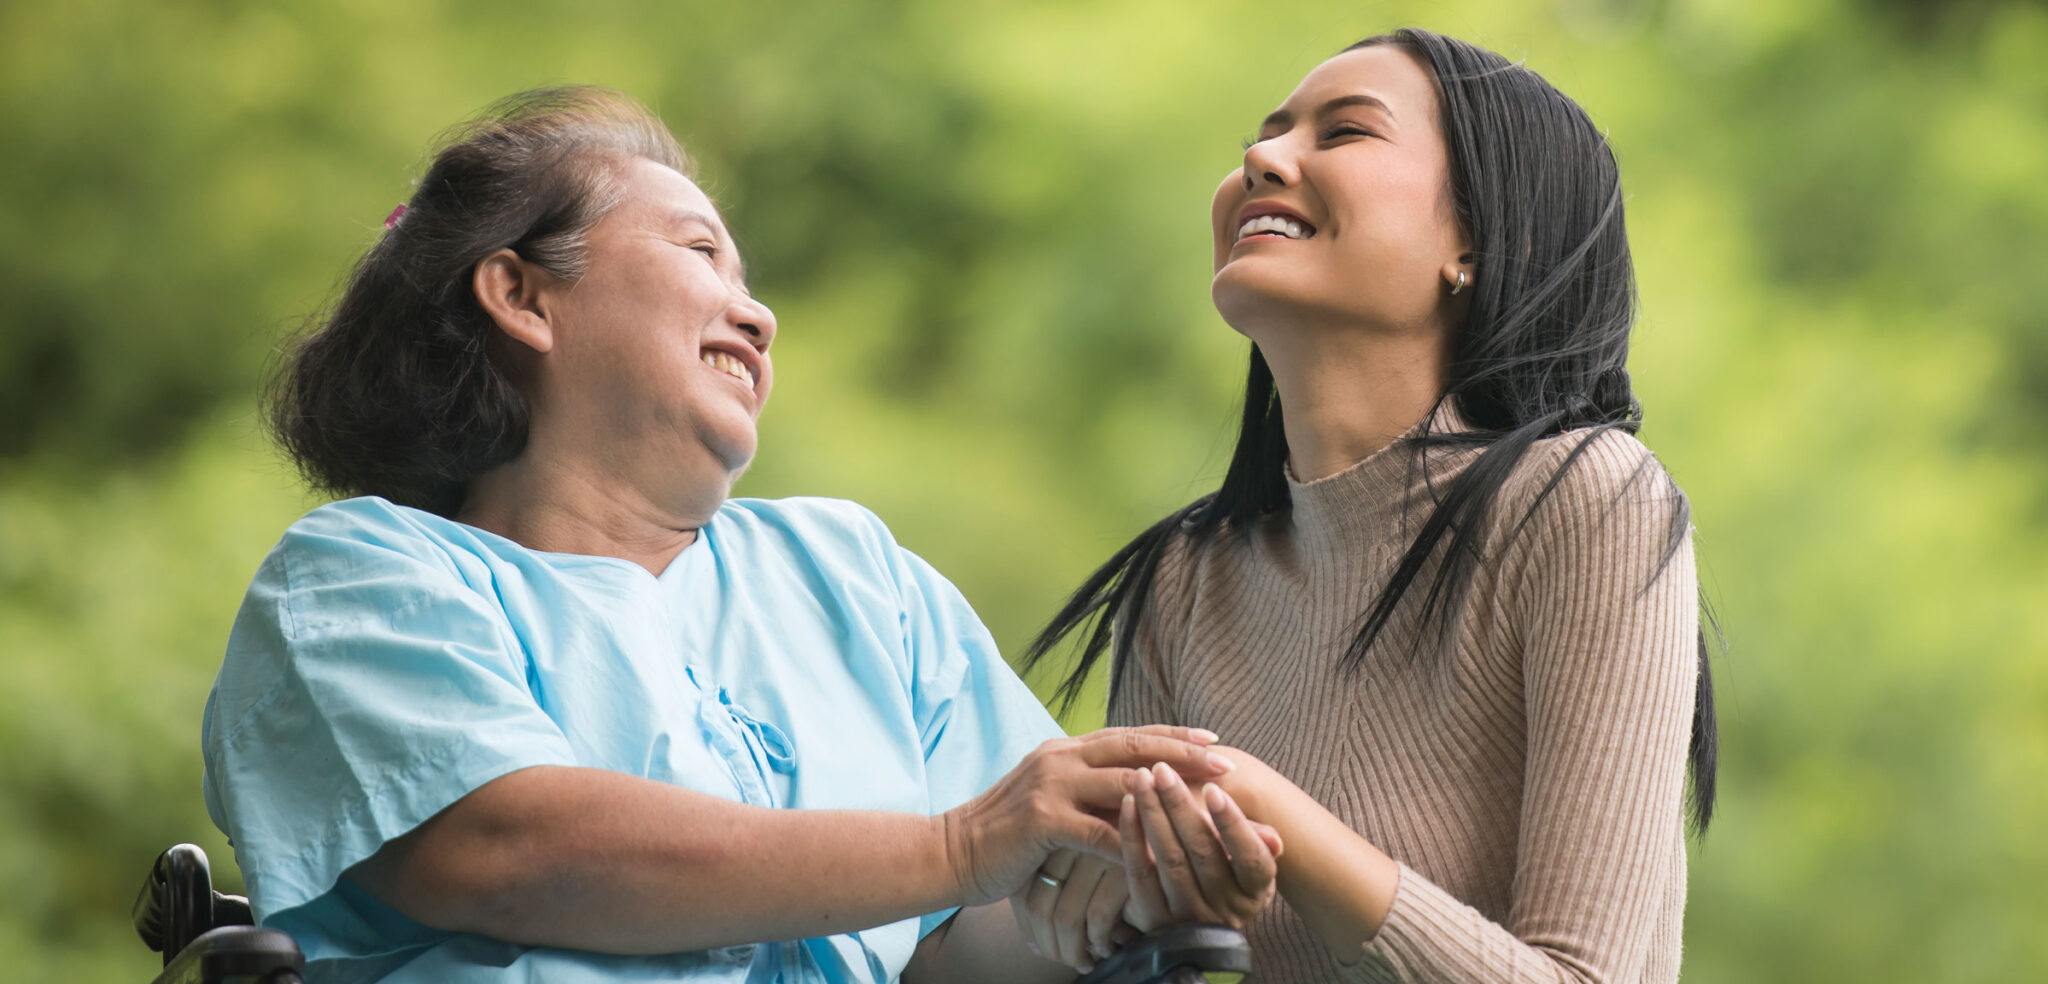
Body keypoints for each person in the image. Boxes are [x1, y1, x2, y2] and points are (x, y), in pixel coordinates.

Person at [200, 86, 1254, 984]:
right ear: (520, 294)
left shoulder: (855, 574)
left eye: (749, 282)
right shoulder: (359, 578)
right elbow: (503, 846)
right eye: (700, 251)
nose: (757, 316)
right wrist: (962, 842)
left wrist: (1118, 883)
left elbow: (968, 934)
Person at [1019, 28, 1717, 984]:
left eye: (1343, 133)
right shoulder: (1186, 580)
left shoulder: (1587, 500)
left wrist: (1261, 807)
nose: (1262, 159)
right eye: (1262, 139)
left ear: (1476, 239)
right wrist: (1091, 922)